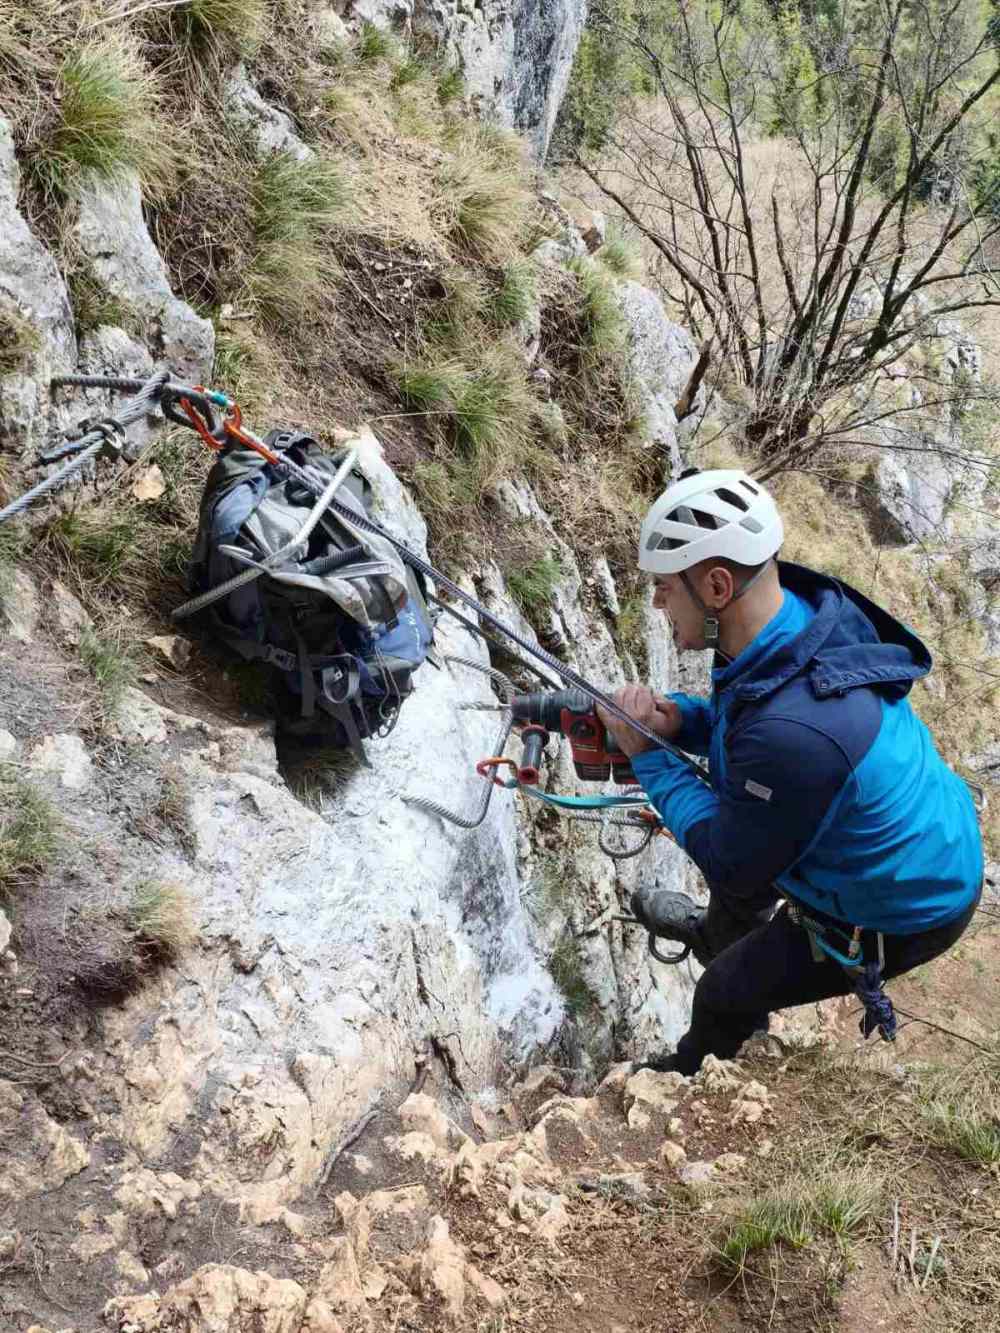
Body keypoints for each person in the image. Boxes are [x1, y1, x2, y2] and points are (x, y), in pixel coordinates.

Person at [597, 468, 984, 1075]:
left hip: (907, 902)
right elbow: (756, 720)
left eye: (664, 587)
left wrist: (647, 755)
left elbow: (733, 862)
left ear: (717, 586)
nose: (656, 603)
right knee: (741, 902)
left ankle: (694, 1075)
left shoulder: (798, 732)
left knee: (724, 990)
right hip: (921, 831)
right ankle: (715, 935)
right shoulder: (791, 619)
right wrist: (684, 722)